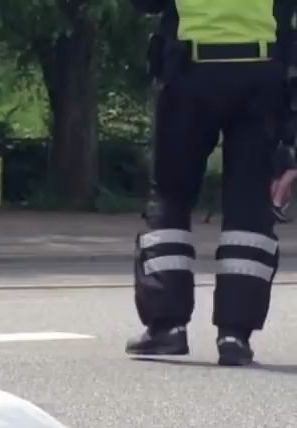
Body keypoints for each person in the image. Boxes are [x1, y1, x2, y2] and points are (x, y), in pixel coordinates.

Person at [125, 0, 294, 366]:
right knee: (248, 208)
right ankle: (235, 334)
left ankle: (167, 325)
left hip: (190, 74)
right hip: (261, 75)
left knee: (171, 195)